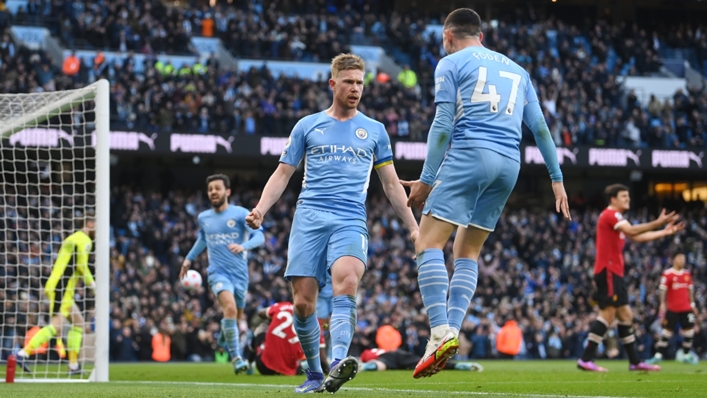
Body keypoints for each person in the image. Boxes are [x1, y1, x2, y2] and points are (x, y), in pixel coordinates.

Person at [401, 8, 570, 379]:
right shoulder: (518, 70)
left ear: (448, 35)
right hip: (509, 164)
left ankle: (439, 332)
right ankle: (453, 333)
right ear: (480, 34)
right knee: (468, 252)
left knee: (427, 244)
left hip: (469, 154)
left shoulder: (451, 63)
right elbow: (540, 128)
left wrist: (427, 179)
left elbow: (443, 125)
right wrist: (556, 178)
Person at [245, 53, 419, 393]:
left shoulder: (375, 131)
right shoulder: (307, 126)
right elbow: (283, 173)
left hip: (350, 217)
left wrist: (413, 227)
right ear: (333, 84)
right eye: (349, 82)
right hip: (309, 216)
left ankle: (338, 360)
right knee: (303, 303)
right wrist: (261, 209)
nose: (355, 89)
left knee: (347, 283)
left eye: (360, 83)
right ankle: (313, 372)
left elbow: (391, 185)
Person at [577, 184, 684, 372]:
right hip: (608, 271)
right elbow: (634, 231)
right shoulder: (611, 215)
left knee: (626, 315)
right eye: (623, 196)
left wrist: (665, 232)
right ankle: (585, 359)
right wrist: (658, 222)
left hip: (615, 273)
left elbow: (638, 238)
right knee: (607, 315)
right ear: (613, 199)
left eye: (628, 195)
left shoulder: (617, 220)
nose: (628, 199)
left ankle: (634, 362)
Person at [180, 174, 265, 374]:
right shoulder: (204, 218)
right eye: (210, 189)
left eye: (217, 188)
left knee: (236, 319)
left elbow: (259, 236)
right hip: (218, 273)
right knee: (229, 309)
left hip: (240, 275)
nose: (213, 192)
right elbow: (202, 238)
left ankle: (224, 336)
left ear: (227, 191)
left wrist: (243, 246)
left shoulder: (240, 214)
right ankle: (236, 359)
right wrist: (188, 259)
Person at [17, 212, 96, 375]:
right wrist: (93, 285)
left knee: (79, 323)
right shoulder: (84, 240)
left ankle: (73, 365)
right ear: (89, 223)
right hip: (62, 288)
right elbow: (82, 265)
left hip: (60, 286)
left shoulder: (72, 238)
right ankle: (23, 354)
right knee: (56, 325)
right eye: (95, 223)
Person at [246, 302, 327, 376]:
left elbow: (260, 313)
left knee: (261, 328)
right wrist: (328, 372)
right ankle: (304, 366)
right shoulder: (315, 321)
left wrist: (272, 319)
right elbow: (322, 359)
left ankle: (249, 365)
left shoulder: (282, 306)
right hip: (294, 370)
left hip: (266, 367)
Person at [647, 252, 699, 365]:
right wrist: (662, 304)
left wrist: (693, 304)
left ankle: (686, 355)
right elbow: (663, 290)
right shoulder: (668, 274)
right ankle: (658, 355)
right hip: (672, 308)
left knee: (689, 331)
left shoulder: (687, 274)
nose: (682, 260)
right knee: (667, 332)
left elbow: (690, 291)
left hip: (686, 308)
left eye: (684, 258)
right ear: (674, 259)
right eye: (680, 258)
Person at [359, 348, 483, 372]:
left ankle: (365, 368)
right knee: (424, 363)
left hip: (388, 358)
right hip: (399, 352)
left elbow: (365, 358)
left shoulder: (366, 353)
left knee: (382, 365)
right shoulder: (380, 349)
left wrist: (362, 363)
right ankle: (457, 366)